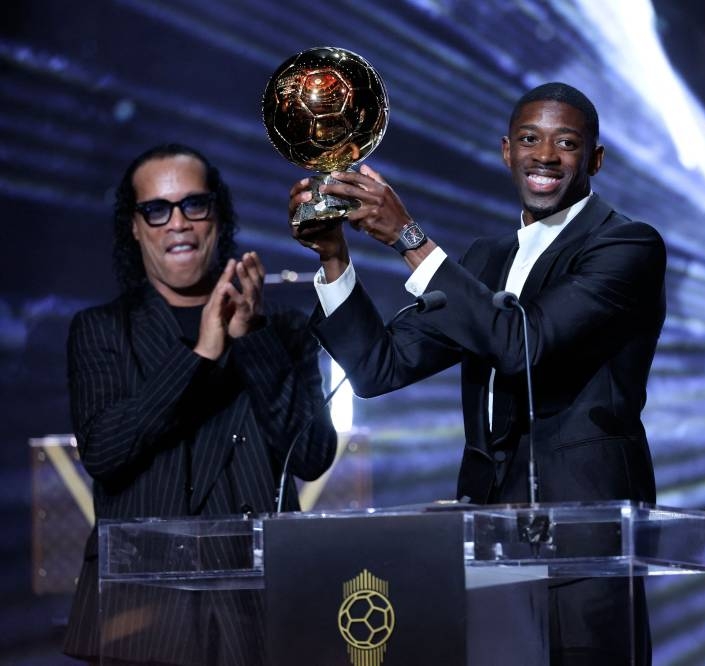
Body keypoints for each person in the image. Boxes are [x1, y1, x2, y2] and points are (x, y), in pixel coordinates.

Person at [291, 83, 665, 665]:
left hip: (584, 539)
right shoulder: (486, 260)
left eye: (566, 143)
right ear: (506, 152)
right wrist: (335, 258)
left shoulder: (626, 245)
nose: (546, 156)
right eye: (530, 140)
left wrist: (408, 238)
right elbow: (378, 367)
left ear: (594, 159)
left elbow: (522, 344)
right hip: (485, 536)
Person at [64, 143, 338, 665]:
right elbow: (104, 451)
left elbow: (312, 456)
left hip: (263, 604)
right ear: (135, 227)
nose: (178, 223)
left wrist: (251, 337)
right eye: (156, 209)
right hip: (144, 611)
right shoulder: (102, 330)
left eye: (194, 204)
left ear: (218, 214)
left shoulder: (281, 328)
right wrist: (202, 354)